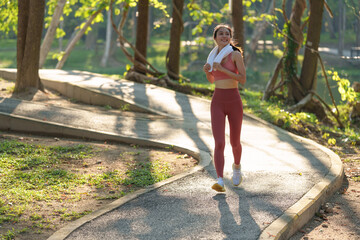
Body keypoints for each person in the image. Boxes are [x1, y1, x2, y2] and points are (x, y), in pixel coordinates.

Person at [203, 24, 246, 192]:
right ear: (215, 37)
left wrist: (222, 69)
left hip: (234, 101)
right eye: (220, 34)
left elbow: (242, 79)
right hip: (217, 101)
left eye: (227, 34)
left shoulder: (235, 55)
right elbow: (213, 81)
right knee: (219, 142)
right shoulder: (212, 57)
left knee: (235, 142)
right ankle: (220, 179)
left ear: (230, 37)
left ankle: (236, 168)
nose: (224, 36)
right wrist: (208, 71)